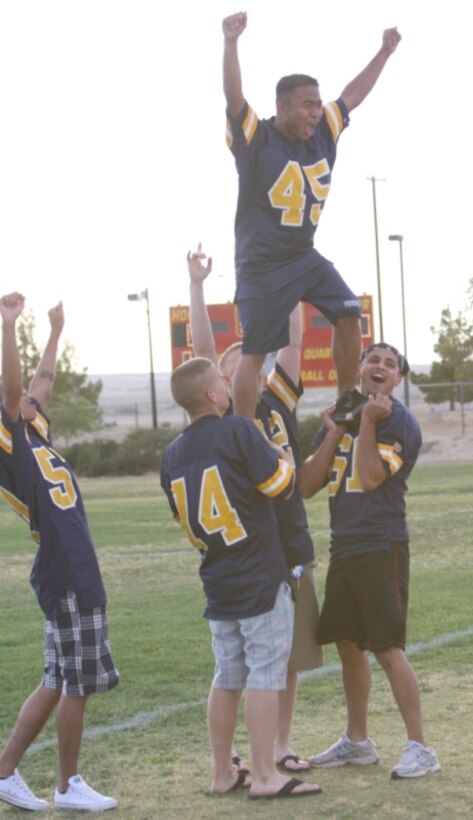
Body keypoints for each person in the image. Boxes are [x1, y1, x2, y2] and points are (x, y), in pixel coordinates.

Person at [222, 11, 401, 420]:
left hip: (303, 256)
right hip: (262, 264)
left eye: (318, 105)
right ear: (281, 108)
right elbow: (234, 99)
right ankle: (244, 431)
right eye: (307, 106)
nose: (316, 113)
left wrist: (383, 53)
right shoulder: (256, 138)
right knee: (256, 352)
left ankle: (345, 401)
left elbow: (352, 95)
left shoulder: (323, 132)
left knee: (349, 311)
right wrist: (231, 44)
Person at [187, 244, 323, 774]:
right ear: (220, 384)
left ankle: (280, 744)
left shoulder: (278, 402)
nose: (253, 368)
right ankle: (246, 755)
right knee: (244, 661)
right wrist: (197, 287)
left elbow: (292, 339)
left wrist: (285, 276)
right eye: (237, 364)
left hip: (291, 537)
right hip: (251, 548)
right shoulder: (231, 418)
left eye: (256, 361)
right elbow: (202, 352)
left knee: (289, 657)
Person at [160, 356, 321, 799]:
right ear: (212, 394)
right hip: (258, 573)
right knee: (265, 675)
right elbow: (281, 485)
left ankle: (221, 772)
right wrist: (282, 453)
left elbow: (184, 518)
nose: (228, 385)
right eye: (221, 381)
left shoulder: (171, 453)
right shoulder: (237, 430)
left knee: (226, 675)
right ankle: (267, 775)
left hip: (217, 575)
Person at [298, 342, 442, 779]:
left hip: (381, 545)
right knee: (347, 643)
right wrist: (338, 430)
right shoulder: (344, 415)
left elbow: (373, 476)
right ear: (360, 369)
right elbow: (306, 485)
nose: (380, 367)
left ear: (398, 379)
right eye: (373, 360)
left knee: (386, 647)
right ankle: (357, 741)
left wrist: (364, 423)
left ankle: (420, 747)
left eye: (390, 364)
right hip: (344, 545)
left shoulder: (397, 420)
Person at [0, 293, 120, 812]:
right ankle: (68, 785)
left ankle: (3, 773)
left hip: (68, 566)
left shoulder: (35, 430)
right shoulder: (9, 435)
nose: (34, 394)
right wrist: (9, 326)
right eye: (24, 396)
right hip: (65, 568)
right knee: (77, 684)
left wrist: (55, 331)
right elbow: (13, 390)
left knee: (55, 682)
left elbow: (40, 381)